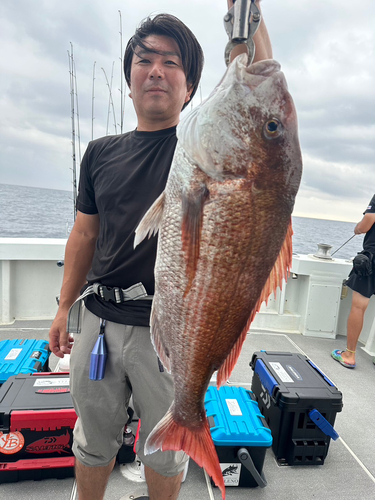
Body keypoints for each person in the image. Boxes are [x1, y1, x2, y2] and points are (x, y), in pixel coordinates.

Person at [49, 4, 272, 500]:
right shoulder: (100, 152)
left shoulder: (201, 144)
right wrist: (64, 307)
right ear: (129, 79)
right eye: (145, 59)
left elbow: (254, 91)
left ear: (191, 87)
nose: (156, 70)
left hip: (172, 335)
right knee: (92, 439)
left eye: (172, 62)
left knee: (166, 449)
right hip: (99, 322)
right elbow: (84, 235)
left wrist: (249, 26)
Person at [331, 194, 375, 369]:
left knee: (359, 306)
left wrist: (358, 228)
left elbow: (368, 221)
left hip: (371, 260)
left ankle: (349, 355)